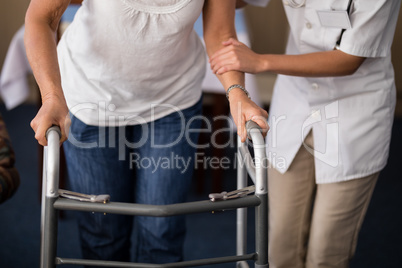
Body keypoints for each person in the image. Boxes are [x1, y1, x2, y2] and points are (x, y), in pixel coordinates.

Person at [24, 0, 268, 265]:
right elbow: (42, 18)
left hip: (172, 102)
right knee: (102, 234)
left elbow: (221, 34)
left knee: (162, 231)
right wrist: (51, 96)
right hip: (91, 97)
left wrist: (236, 93)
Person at [210, 0, 401, 267]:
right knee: (279, 244)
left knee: (327, 251)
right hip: (295, 103)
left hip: (353, 113)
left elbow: (349, 59)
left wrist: (260, 61)